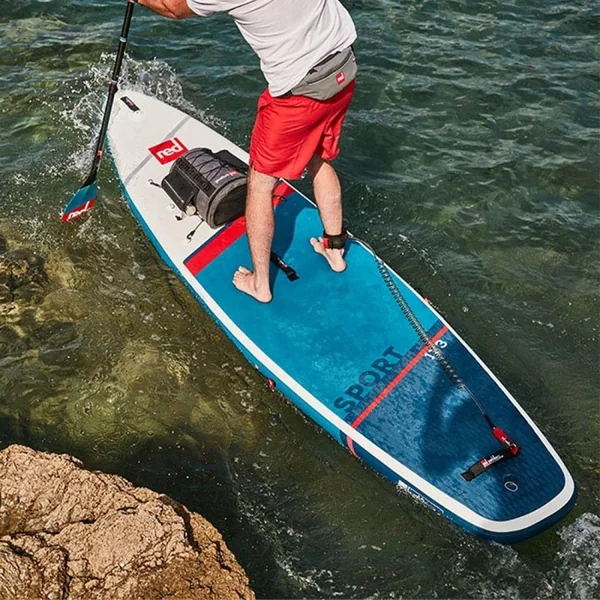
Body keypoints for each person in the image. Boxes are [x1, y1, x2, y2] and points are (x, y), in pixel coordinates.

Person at [137, 0, 357, 303]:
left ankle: (260, 284)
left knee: (261, 185)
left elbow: (173, 8)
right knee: (319, 157)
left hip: (297, 93)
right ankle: (335, 251)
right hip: (343, 67)